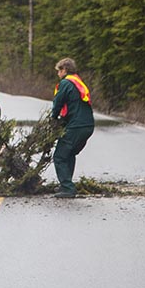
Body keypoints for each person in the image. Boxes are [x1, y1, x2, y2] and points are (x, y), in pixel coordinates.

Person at [51, 57, 95, 198]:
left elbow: (58, 101)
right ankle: (66, 184)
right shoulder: (78, 82)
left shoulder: (66, 83)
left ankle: (68, 188)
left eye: (59, 71)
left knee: (59, 156)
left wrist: (53, 118)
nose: (58, 74)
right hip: (87, 125)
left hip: (77, 126)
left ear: (64, 70)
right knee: (69, 154)